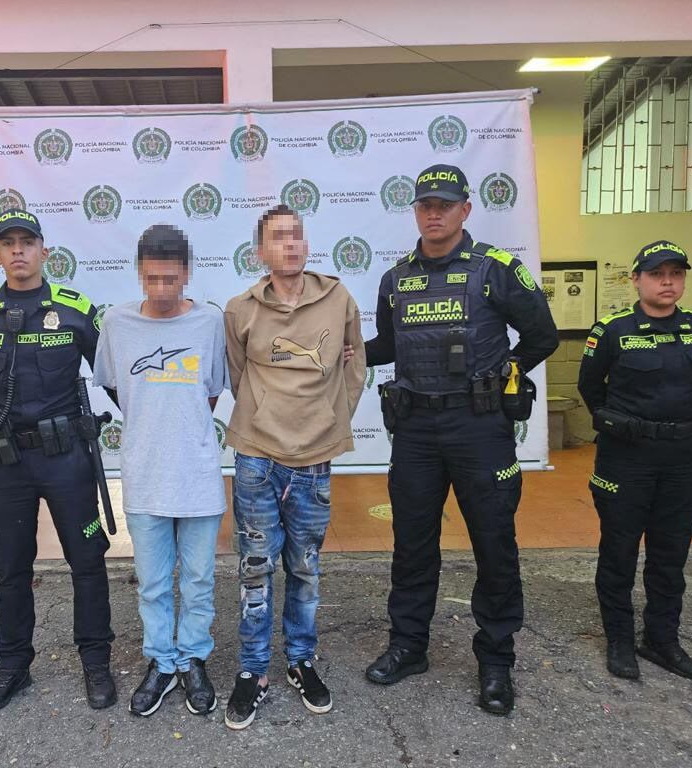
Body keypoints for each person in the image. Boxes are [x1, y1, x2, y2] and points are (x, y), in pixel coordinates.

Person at [363, 164, 558, 716]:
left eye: (444, 204)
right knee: (412, 544)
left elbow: (542, 335)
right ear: (415, 211)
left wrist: (506, 370)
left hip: (479, 428)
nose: (433, 212)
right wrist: (341, 349)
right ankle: (408, 646)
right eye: (425, 203)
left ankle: (495, 660)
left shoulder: (496, 270)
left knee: (494, 543)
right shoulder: (396, 278)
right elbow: (388, 344)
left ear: (465, 210)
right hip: (417, 430)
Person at [0, 209, 116, 712]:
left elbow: (111, 376)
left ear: (44, 251)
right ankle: (14, 664)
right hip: (6, 461)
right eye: (8, 243)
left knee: (87, 560)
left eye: (27, 241)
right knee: (10, 566)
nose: (18, 250)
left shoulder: (75, 308)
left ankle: (96, 661)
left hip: (66, 460)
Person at [222, 204, 366, 730]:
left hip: (313, 461)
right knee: (255, 569)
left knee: (304, 567)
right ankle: (253, 672)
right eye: (278, 237)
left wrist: (328, 423)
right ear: (260, 251)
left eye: (297, 235)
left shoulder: (338, 299)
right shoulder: (240, 309)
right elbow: (239, 376)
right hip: (257, 457)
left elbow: (355, 370)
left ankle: (301, 661)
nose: (290, 244)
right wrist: (262, 418)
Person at [92, 224, 227, 717]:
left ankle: (193, 659)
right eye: (152, 279)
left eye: (171, 279)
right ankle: (161, 663)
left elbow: (210, 391)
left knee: (197, 580)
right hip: (144, 472)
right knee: (151, 582)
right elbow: (114, 385)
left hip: (196, 473)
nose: (162, 290)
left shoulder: (210, 322)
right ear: (139, 274)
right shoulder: (117, 323)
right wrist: (152, 418)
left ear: (187, 274)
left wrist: (180, 421)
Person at [578, 241, 692, 682]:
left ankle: (662, 640)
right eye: (657, 274)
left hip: (683, 457)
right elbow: (590, 388)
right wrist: (623, 424)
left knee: (670, 554)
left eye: (676, 273)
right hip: (628, 458)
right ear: (637, 279)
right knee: (618, 551)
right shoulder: (612, 330)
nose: (668, 282)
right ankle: (619, 639)